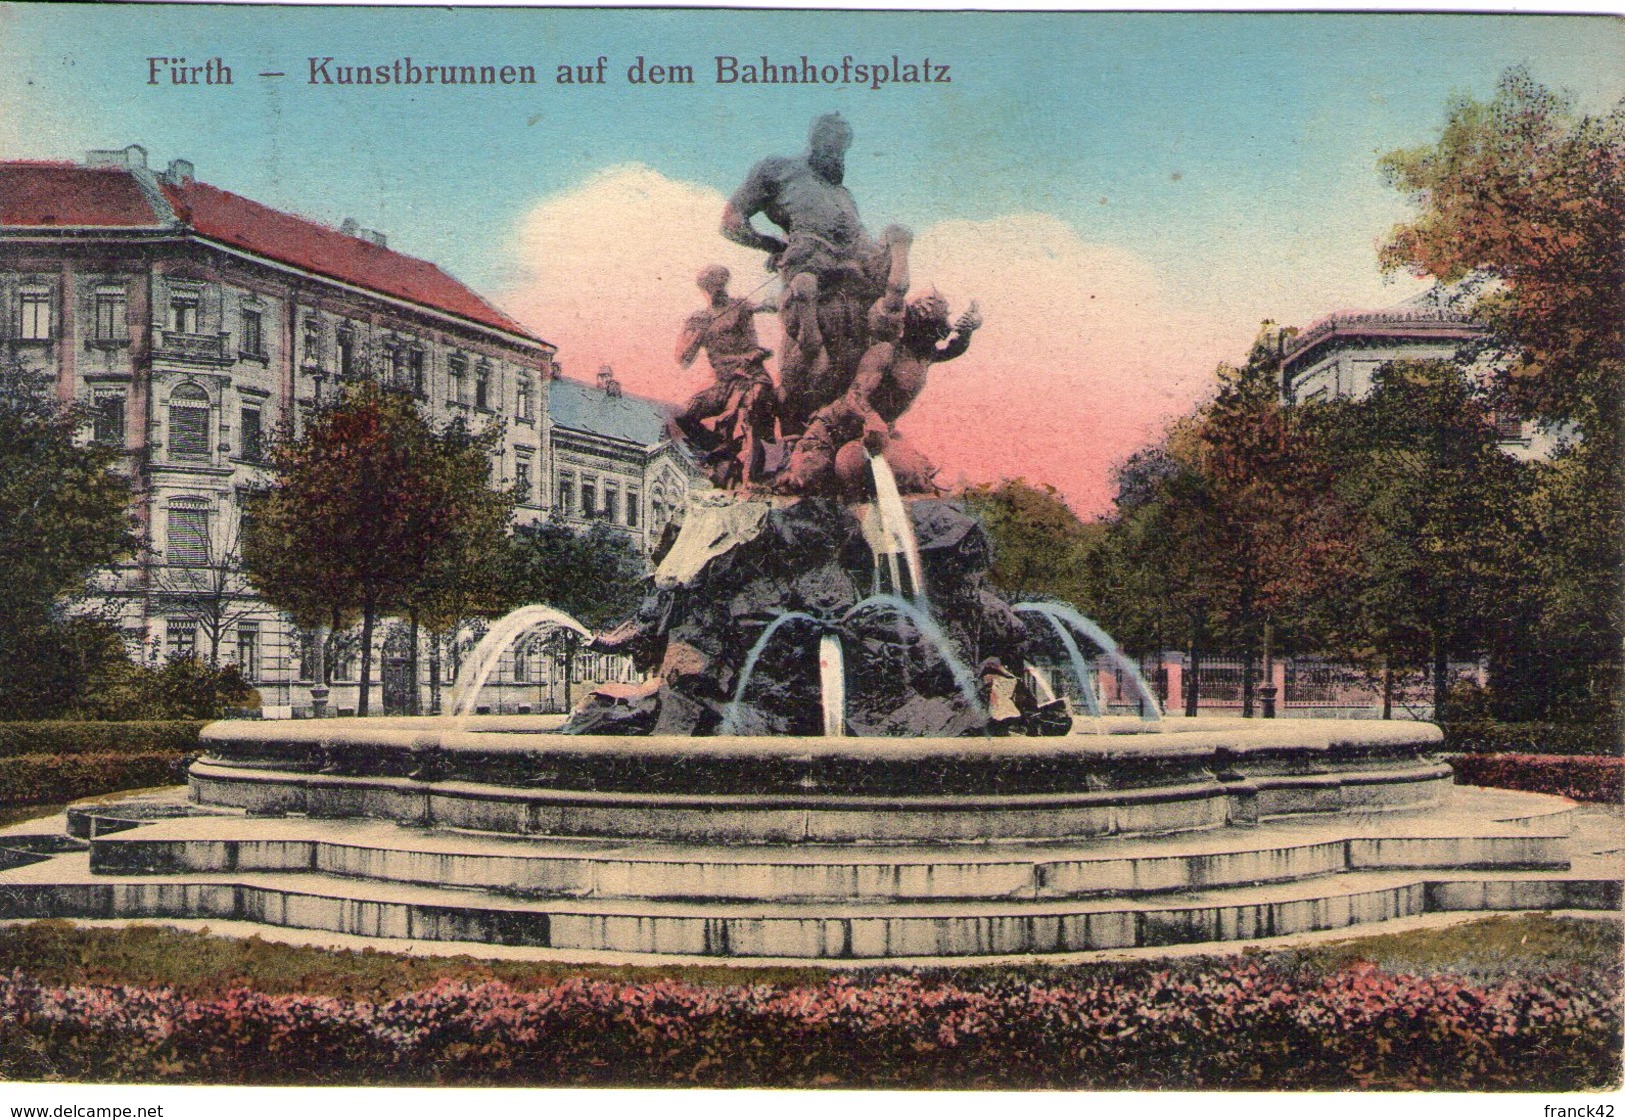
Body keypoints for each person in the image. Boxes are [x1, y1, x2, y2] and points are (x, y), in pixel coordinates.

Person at [721, 113, 900, 431]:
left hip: (855, 295)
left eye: (844, 146)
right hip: (810, 288)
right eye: (832, 142)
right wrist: (772, 245)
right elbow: (731, 221)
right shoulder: (778, 170)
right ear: (815, 139)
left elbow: (869, 251)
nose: (838, 153)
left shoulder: (844, 196)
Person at [670, 265, 777, 486]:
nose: (716, 290)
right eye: (710, 287)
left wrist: (748, 358)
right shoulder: (699, 319)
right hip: (722, 383)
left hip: (749, 376)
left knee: (753, 405)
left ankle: (753, 471)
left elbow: (755, 347)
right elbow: (682, 359)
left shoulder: (739, 308)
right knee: (683, 414)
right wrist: (695, 335)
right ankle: (719, 446)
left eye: (719, 285)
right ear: (704, 289)